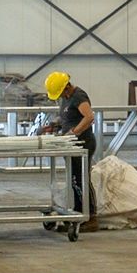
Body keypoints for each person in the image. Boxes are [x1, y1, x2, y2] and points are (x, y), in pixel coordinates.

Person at [40, 71, 97, 217]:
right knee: (74, 180)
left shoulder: (78, 96)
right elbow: (67, 116)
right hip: (71, 145)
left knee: (81, 179)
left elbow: (89, 117)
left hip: (82, 144)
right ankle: (79, 213)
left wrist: (75, 132)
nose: (60, 97)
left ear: (66, 87)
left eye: (60, 94)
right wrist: (54, 125)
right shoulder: (67, 98)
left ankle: (90, 216)